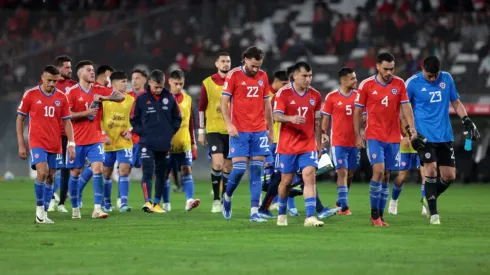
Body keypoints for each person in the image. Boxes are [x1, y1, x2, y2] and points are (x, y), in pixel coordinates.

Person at [405, 56, 480, 225]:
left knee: (449, 176)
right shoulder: (412, 83)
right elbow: (403, 109)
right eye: (429, 75)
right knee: (430, 171)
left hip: (444, 135)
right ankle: (434, 215)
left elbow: (456, 102)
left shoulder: (447, 78)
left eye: (435, 75)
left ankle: (428, 198)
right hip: (424, 136)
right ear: (422, 69)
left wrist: (467, 120)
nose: (433, 79)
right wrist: (411, 132)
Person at [354, 53, 417, 227]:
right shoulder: (366, 84)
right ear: (377, 67)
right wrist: (358, 134)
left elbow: (406, 108)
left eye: (391, 68)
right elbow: (358, 111)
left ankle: (380, 216)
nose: (389, 72)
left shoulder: (399, 84)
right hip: (374, 135)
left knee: (387, 175)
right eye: (385, 69)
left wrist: (411, 128)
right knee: (379, 171)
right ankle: (374, 215)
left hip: (393, 136)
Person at [65, 60, 125, 219]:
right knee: (75, 172)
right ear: (80, 74)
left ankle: (97, 209)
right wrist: (85, 113)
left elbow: (121, 97)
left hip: (95, 138)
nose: (93, 72)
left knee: (98, 169)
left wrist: (104, 98)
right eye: (89, 70)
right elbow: (66, 115)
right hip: (76, 139)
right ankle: (75, 207)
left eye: (93, 70)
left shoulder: (99, 89)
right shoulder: (71, 92)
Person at [16, 65, 76, 223]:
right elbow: (20, 119)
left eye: (55, 81)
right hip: (37, 141)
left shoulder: (62, 97)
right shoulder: (31, 95)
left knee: (51, 176)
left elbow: (67, 122)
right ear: (42, 78)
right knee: (42, 172)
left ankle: (44, 211)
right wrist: (21, 143)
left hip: (55, 143)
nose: (52, 84)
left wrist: (71, 143)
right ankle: (39, 211)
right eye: (49, 80)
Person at [221, 46, 274, 222]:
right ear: (245, 59)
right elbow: (224, 103)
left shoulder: (263, 77)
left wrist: (270, 129)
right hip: (239, 130)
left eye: (258, 66)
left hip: (259, 130)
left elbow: (267, 105)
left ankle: (254, 212)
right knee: (238, 170)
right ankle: (227, 197)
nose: (256, 69)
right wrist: (229, 125)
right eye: (253, 66)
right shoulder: (233, 75)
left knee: (257, 170)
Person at [273, 61, 324, 227]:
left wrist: (319, 143)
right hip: (287, 145)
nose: (308, 79)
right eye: (304, 76)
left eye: (310, 76)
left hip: (307, 144)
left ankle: (310, 217)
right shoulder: (283, 93)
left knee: (309, 176)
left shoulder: (315, 95)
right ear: (294, 75)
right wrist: (291, 118)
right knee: (286, 181)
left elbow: (317, 121)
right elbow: (276, 116)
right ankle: (281, 213)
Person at [130, 69, 182, 213]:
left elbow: (177, 118)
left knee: (162, 174)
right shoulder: (141, 99)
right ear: (150, 83)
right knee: (147, 172)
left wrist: (169, 132)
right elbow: (133, 118)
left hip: (164, 143)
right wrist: (142, 133)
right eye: (155, 87)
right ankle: (147, 202)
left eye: (160, 87)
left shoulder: (170, 98)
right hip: (147, 143)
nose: (158, 90)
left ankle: (157, 204)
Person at [321, 67, 361, 215]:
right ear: (343, 81)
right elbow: (326, 118)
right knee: (342, 172)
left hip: (354, 141)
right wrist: (323, 133)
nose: (355, 81)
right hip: (338, 141)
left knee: (350, 173)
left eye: (355, 78)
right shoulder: (331, 97)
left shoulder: (359, 96)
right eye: (352, 78)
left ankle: (340, 200)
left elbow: (364, 116)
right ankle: (344, 206)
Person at [198, 52, 232, 213]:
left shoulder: (236, 82)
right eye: (223, 61)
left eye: (228, 61)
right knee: (218, 163)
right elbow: (201, 108)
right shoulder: (208, 83)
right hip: (213, 130)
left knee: (228, 167)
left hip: (232, 131)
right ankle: (216, 200)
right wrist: (201, 130)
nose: (226, 64)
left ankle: (225, 197)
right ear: (217, 64)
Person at [163, 69, 200, 211]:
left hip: (184, 143)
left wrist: (193, 142)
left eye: (181, 83)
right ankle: (166, 203)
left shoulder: (188, 99)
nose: (179, 86)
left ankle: (189, 200)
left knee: (186, 169)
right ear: (170, 82)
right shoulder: (164, 99)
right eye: (176, 83)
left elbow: (191, 122)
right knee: (166, 173)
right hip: (167, 144)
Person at [98, 71, 134, 213]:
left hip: (123, 142)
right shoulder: (105, 100)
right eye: (123, 81)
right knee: (106, 173)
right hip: (107, 142)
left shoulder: (131, 100)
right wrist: (102, 135)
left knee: (124, 170)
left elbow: (136, 118)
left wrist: (130, 130)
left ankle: (123, 203)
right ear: (113, 84)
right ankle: (107, 202)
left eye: (126, 81)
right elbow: (98, 119)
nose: (126, 84)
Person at [45, 55, 78, 213]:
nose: (70, 70)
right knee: (50, 168)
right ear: (58, 69)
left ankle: (62, 203)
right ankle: (49, 198)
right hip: (51, 133)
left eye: (71, 67)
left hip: (67, 134)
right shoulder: (48, 85)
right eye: (67, 67)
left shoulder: (74, 86)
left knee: (66, 168)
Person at [388, 124, 426, 216]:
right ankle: (394, 200)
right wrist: (403, 137)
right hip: (406, 147)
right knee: (402, 177)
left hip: (421, 145)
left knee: (425, 175)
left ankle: (426, 204)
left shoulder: (421, 110)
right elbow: (397, 121)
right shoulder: (404, 110)